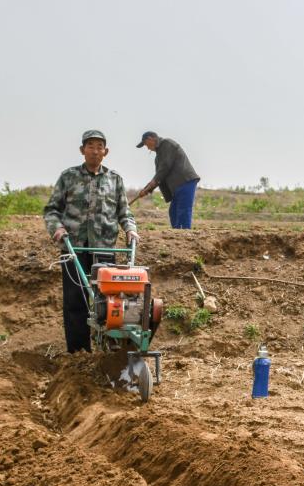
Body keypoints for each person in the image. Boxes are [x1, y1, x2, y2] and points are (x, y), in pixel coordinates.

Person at [44, 130, 139, 353]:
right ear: (82, 150)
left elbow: (124, 212)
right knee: (75, 301)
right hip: (74, 247)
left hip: (103, 248)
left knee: (109, 301)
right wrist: (57, 228)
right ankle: (79, 353)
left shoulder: (114, 180)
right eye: (90, 146)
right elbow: (52, 210)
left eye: (99, 147)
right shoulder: (68, 177)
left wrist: (131, 230)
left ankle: (111, 347)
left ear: (105, 152)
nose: (95, 151)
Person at [132, 131, 200, 229]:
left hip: (185, 181)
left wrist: (151, 185)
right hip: (176, 186)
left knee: (183, 210)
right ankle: (177, 234)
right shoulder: (158, 157)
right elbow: (159, 177)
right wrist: (147, 189)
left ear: (151, 139)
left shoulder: (167, 144)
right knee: (173, 212)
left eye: (146, 144)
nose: (147, 148)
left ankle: (184, 233)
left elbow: (165, 167)